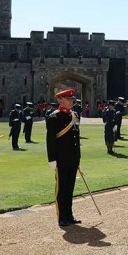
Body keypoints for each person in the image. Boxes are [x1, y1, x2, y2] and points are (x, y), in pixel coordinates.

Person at [46, 89, 82, 227]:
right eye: (69, 99)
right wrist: (52, 159)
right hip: (61, 159)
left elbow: (76, 140)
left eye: (72, 99)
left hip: (72, 159)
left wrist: (78, 158)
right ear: (61, 100)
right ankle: (62, 217)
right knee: (61, 189)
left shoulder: (74, 115)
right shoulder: (54, 117)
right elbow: (50, 140)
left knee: (70, 188)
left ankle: (69, 215)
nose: (72, 101)